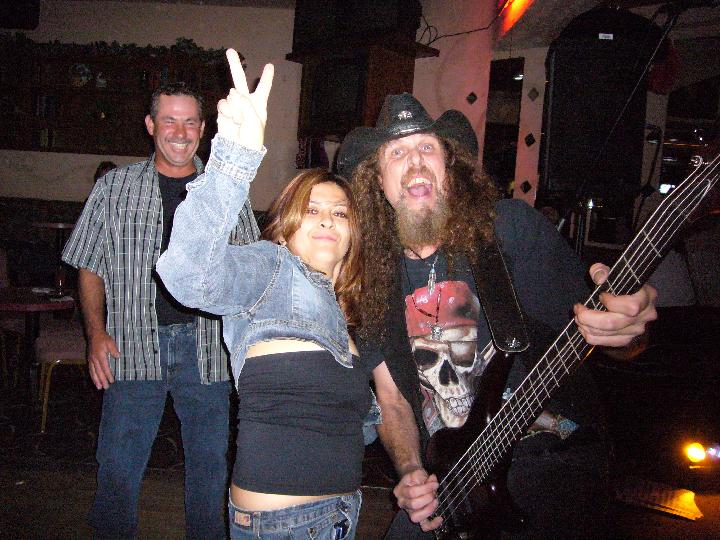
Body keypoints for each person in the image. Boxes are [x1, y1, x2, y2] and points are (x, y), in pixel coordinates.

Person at [335, 93, 658, 538]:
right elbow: (392, 399)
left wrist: (628, 332)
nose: (415, 162)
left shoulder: (509, 229)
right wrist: (410, 471)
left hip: (550, 460)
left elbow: (606, 327)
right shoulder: (374, 277)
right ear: (378, 180)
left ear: (449, 167)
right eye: (397, 153)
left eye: (427, 147)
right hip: (452, 478)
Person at [156, 49, 414, 540]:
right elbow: (188, 275)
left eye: (340, 213)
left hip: (343, 513)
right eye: (311, 209)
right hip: (282, 525)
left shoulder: (350, 313)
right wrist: (234, 158)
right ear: (288, 226)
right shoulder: (272, 269)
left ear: (353, 234)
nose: (327, 219)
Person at [62, 80, 259, 538]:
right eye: (169, 120)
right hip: (132, 345)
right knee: (117, 465)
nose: (180, 132)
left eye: (190, 122)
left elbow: (251, 267)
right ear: (151, 125)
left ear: (203, 129)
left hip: (208, 350)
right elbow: (89, 265)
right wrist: (95, 333)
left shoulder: (225, 191)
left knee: (210, 471)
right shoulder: (114, 188)